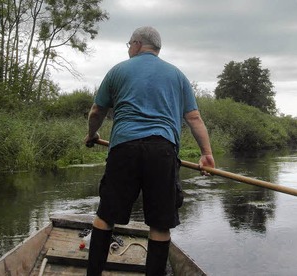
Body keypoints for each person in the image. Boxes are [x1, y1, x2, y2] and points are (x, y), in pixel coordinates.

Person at [83, 26, 215, 276]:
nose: (129, 49)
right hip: (162, 151)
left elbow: (96, 112)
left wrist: (92, 135)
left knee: (105, 216)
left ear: (136, 43)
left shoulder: (118, 70)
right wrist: (206, 153)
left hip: (124, 149)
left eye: (128, 45)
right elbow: (194, 117)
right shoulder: (177, 75)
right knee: (160, 224)